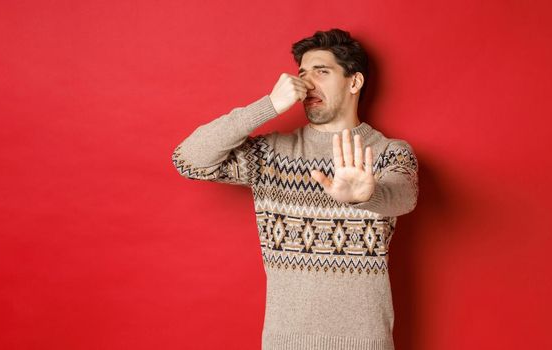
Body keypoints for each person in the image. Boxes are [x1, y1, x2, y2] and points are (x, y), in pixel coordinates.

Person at [171, 28, 418, 350]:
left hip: (364, 340)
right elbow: (188, 160)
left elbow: (404, 197)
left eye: (322, 72)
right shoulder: (272, 154)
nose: (308, 83)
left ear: (354, 82)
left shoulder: (389, 151)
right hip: (284, 340)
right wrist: (269, 106)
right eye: (302, 74)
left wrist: (366, 196)